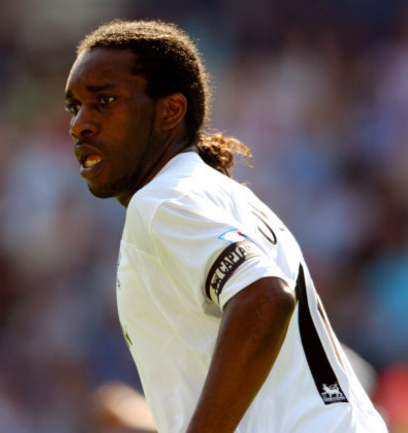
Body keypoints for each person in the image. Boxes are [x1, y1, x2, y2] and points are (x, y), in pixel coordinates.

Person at [64, 19, 388, 433]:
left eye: (105, 100)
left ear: (170, 111)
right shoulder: (221, 195)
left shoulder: (164, 200)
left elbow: (264, 297)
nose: (80, 124)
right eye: (75, 106)